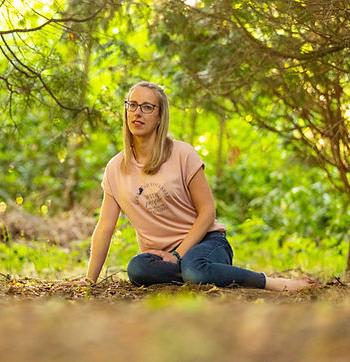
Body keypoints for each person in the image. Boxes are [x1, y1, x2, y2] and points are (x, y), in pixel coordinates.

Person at [83, 81, 315, 291]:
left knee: (195, 268)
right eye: (132, 105)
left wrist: (177, 254)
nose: (137, 113)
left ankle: (274, 283)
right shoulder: (115, 168)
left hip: (207, 243)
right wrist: (89, 281)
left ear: (160, 116)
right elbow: (104, 228)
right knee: (137, 268)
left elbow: (207, 212)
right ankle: (204, 277)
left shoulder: (182, 154)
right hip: (160, 257)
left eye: (147, 107)